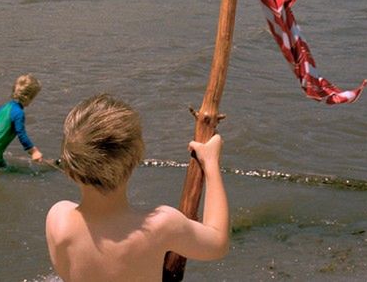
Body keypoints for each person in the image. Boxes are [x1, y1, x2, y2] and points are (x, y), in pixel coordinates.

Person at [45, 94, 229, 281]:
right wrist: (211, 163)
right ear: (134, 158)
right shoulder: (160, 226)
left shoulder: (58, 219)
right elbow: (218, 242)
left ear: (70, 167)